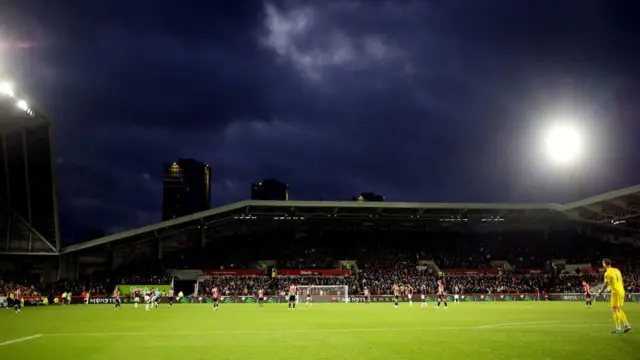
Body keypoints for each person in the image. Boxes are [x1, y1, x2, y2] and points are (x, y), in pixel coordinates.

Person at [597, 258, 631, 333]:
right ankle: (626, 325)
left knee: (614, 309)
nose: (602, 264)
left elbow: (605, 284)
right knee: (619, 309)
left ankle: (619, 328)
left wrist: (600, 292)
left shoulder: (607, 273)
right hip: (621, 291)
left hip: (615, 292)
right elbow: (621, 281)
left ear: (605, 264)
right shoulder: (617, 270)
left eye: (603, 263)